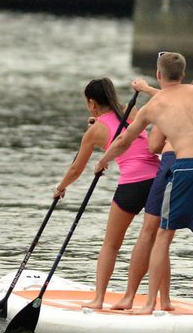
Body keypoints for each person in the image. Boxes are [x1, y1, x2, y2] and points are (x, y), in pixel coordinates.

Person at [95, 52, 193, 317]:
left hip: (188, 167)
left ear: (159, 75)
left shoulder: (152, 108)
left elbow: (125, 142)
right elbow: (176, 98)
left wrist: (103, 160)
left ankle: (149, 304)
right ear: (183, 74)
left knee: (163, 236)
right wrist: (151, 89)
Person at [52, 78, 160, 310]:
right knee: (149, 239)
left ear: (92, 103)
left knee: (111, 244)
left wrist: (61, 187)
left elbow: (76, 168)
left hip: (132, 184)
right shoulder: (131, 111)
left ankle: (99, 298)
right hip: (157, 179)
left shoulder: (95, 131)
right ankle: (130, 296)